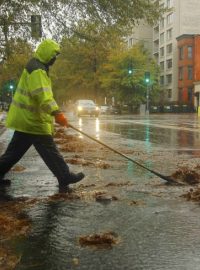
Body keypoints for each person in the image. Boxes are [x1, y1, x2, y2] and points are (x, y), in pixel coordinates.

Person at [0, 39, 85, 192]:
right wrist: (57, 113)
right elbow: (43, 96)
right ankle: (64, 176)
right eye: (54, 56)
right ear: (47, 54)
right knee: (49, 150)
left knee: (14, 153)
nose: (55, 59)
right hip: (33, 121)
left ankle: (63, 175)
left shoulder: (37, 66)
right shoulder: (38, 70)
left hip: (27, 120)